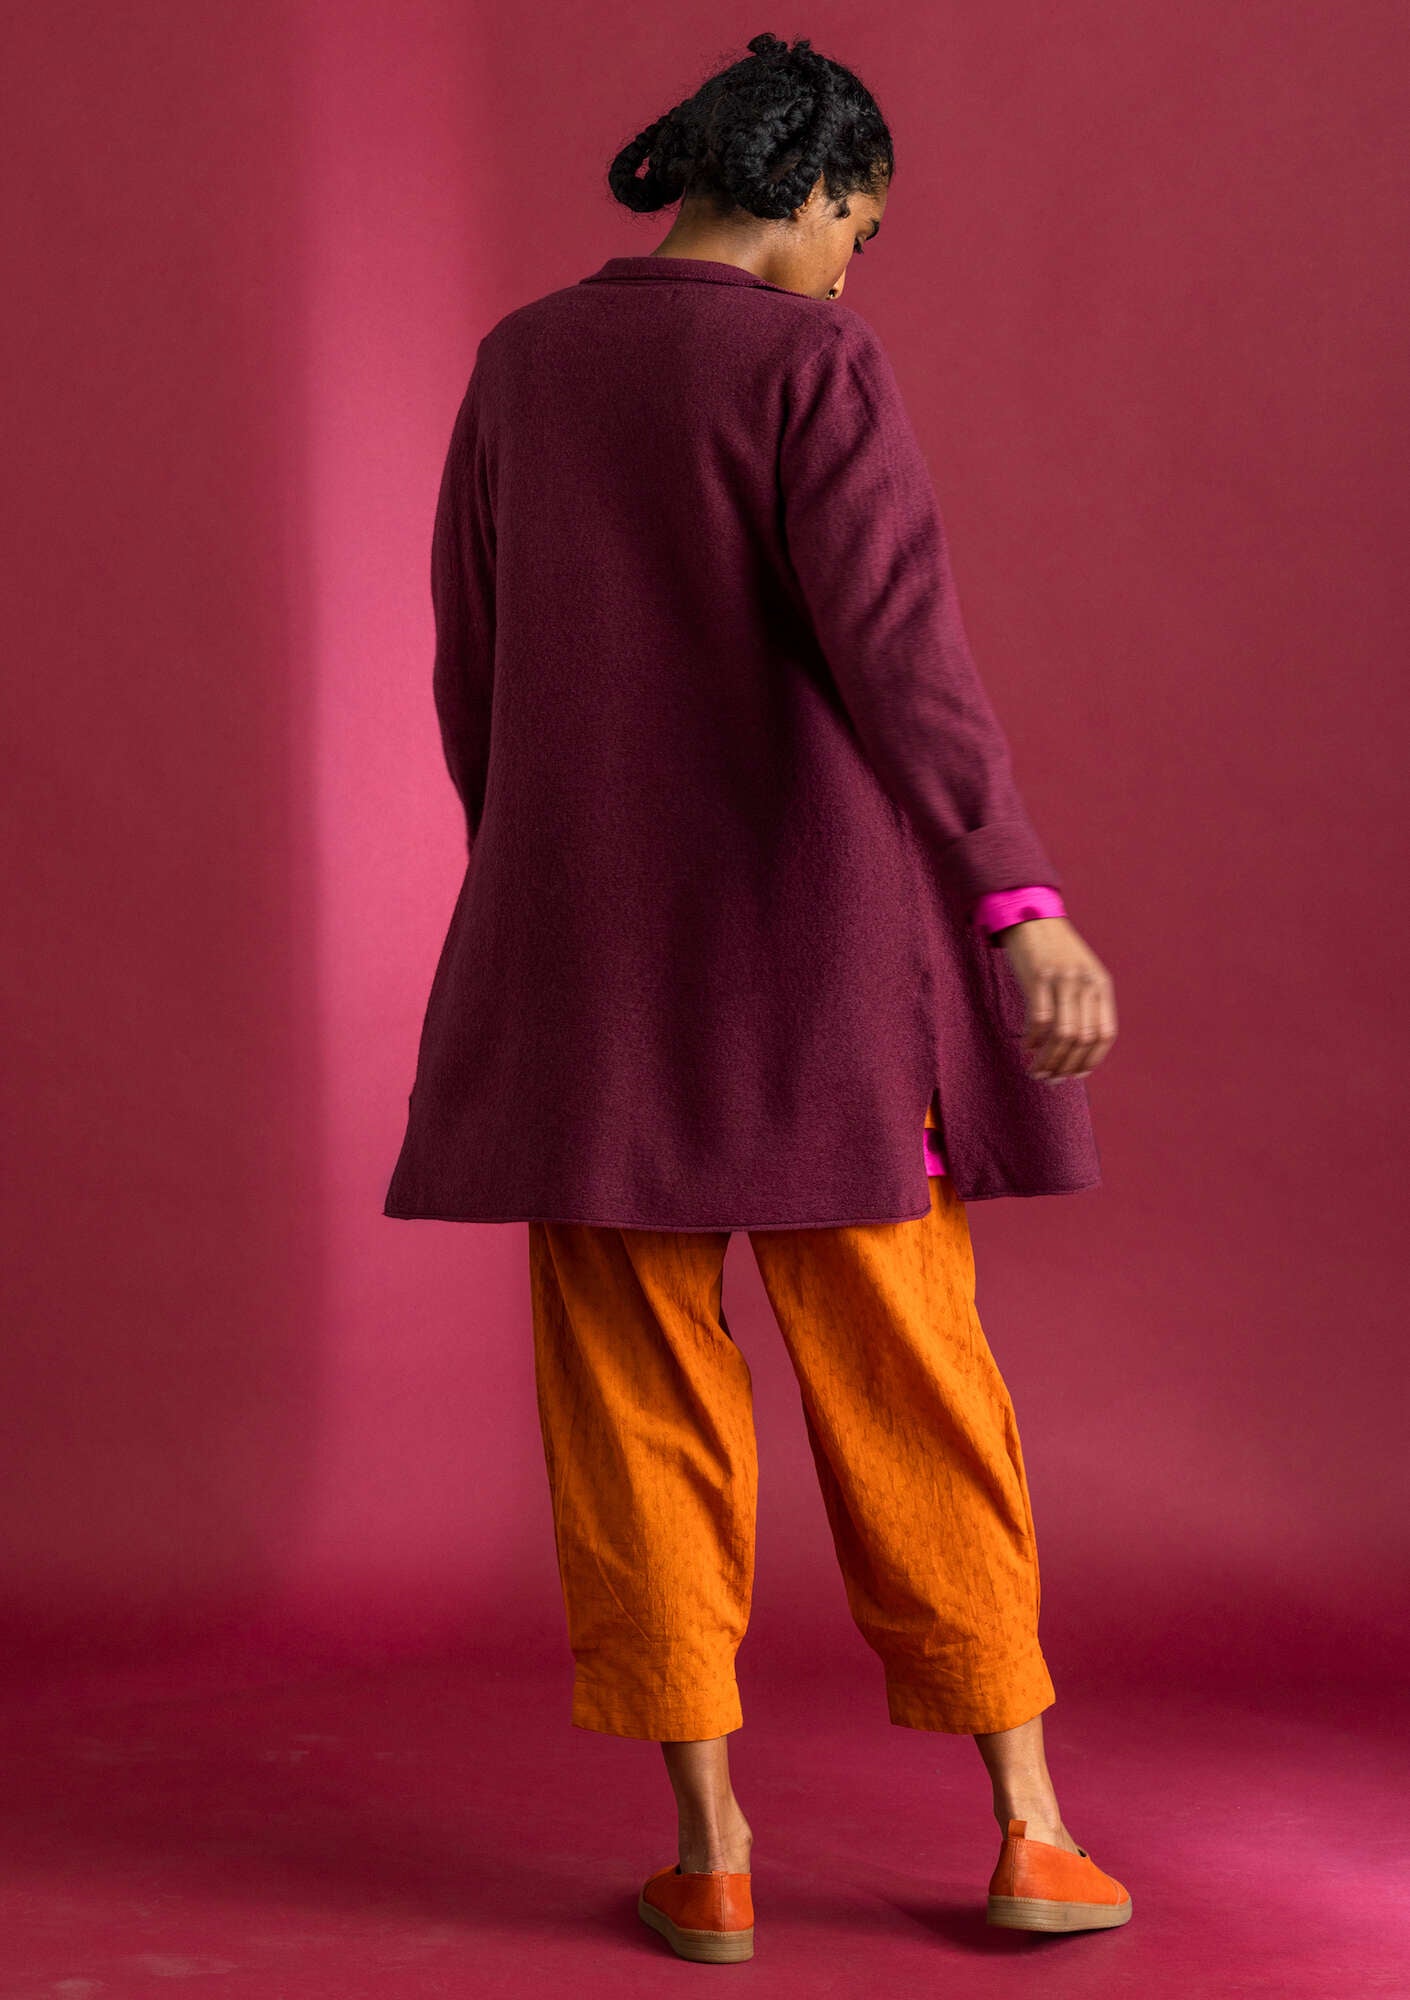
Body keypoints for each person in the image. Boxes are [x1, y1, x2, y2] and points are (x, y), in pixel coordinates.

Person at [384, 29, 1127, 1963]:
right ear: (812, 193)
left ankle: (706, 1851)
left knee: (628, 1405)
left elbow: (472, 669)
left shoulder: (519, 363)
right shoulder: (808, 362)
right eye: (857, 234)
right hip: (820, 981)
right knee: (911, 1383)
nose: (849, 271)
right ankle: (1028, 1830)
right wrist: (1017, 900)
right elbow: (903, 655)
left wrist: (545, 878)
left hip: (587, 985)